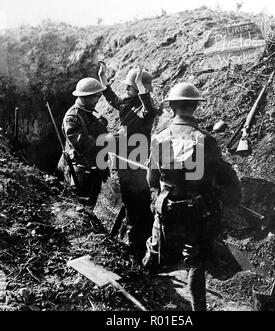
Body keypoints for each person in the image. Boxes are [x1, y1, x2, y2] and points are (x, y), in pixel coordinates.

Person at [143, 82, 242, 311]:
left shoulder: (159, 138)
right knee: (195, 259)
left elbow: (152, 178)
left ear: (172, 107)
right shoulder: (204, 139)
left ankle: (141, 293)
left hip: (166, 207)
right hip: (196, 211)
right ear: (195, 107)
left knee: (156, 249)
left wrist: (156, 199)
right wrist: (232, 198)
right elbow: (224, 175)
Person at [98, 63, 157, 258]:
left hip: (138, 161)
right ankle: (135, 241)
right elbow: (113, 99)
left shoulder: (146, 110)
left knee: (140, 202)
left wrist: (141, 89)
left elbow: (149, 110)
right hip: (124, 161)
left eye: (130, 87)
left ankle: (142, 243)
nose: (126, 89)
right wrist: (104, 81)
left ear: (141, 89)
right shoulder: (126, 102)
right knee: (130, 201)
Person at [58, 77, 110, 210]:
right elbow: (81, 143)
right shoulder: (73, 117)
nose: (98, 100)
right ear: (85, 97)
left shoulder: (89, 113)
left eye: (98, 96)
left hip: (94, 168)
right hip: (81, 171)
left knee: (90, 205)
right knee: (81, 207)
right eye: (95, 97)